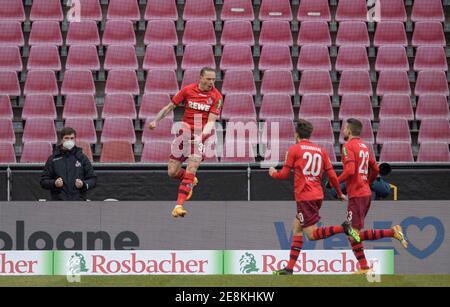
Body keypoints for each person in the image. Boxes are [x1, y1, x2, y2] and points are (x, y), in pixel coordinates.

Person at [268, 119, 360, 275]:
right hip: (317, 196)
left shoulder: (294, 149)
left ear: (296, 134)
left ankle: (343, 228)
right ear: (309, 134)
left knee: (311, 235)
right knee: (297, 227)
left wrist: (273, 173)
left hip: (305, 197)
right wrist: (339, 193)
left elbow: (283, 175)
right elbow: (331, 174)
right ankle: (289, 268)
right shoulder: (320, 150)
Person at [148, 67, 223, 218]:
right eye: (208, 79)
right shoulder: (188, 90)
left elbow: (211, 122)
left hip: (200, 138)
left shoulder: (217, 97)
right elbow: (170, 107)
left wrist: (201, 138)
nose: (211, 82)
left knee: (192, 167)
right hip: (184, 136)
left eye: (214, 79)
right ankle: (189, 180)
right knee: (172, 172)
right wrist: (156, 120)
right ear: (200, 78)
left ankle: (178, 205)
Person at [339, 118, 408, 274]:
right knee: (353, 233)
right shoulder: (365, 147)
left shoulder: (347, 146)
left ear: (349, 130)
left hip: (356, 195)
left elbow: (349, 171)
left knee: (352, 233)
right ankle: (364, 267)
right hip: (365, 194)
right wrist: (367, 182)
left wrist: (335, 183)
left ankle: (392, 233)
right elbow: (376, 170)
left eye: (344, 128)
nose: (343, 131)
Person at [40, 127, 97, 201]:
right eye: (66, 138)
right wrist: (54, 183)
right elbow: (43, 181)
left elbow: (93, 179)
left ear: (75, 139)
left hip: (78, 202)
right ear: (61, 140)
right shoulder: (53, 159)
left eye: (72, 138)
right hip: (58, 202)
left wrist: (83, 184)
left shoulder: (82, 158)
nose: (69, 140)